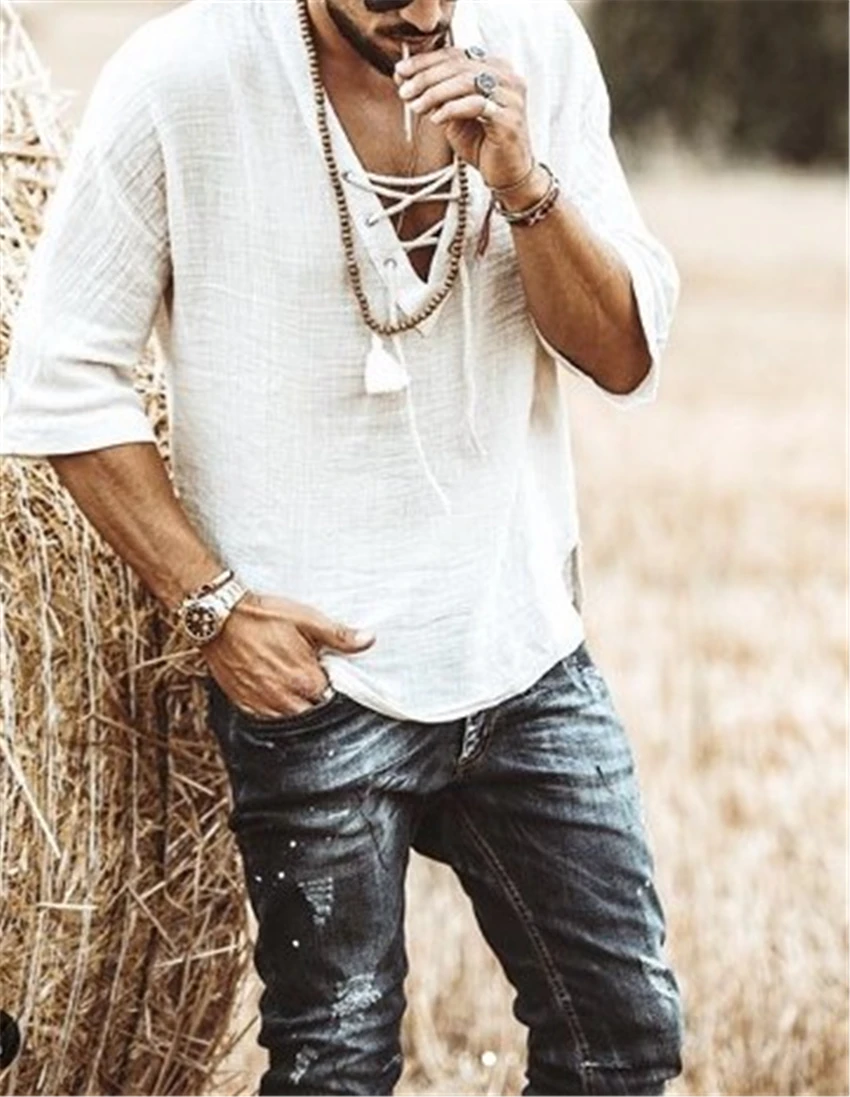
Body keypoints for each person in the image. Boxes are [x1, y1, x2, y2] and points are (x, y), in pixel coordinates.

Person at [1, 0, 684, 1093]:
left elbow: (621, 354)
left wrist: (522, 183)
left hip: (522, 653)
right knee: (335, 1068)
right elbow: (59, 379)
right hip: (314, 687)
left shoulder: (537, 43)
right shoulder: (180, 78)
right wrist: (215, 606)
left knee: (625, 1040)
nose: (417, 11)